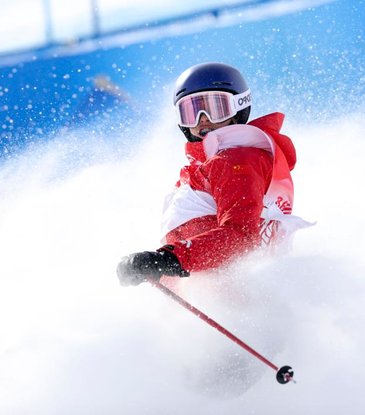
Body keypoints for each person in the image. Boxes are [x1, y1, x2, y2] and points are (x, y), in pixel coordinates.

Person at [117, 62, 308, 287]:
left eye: (215, 107)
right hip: (205, 295)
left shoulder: (235, 161)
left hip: (229, 294)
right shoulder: (206, 166)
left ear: (239, 107)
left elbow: (241, 235)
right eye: (191, 112)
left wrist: (167, 259)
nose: (202, 119)